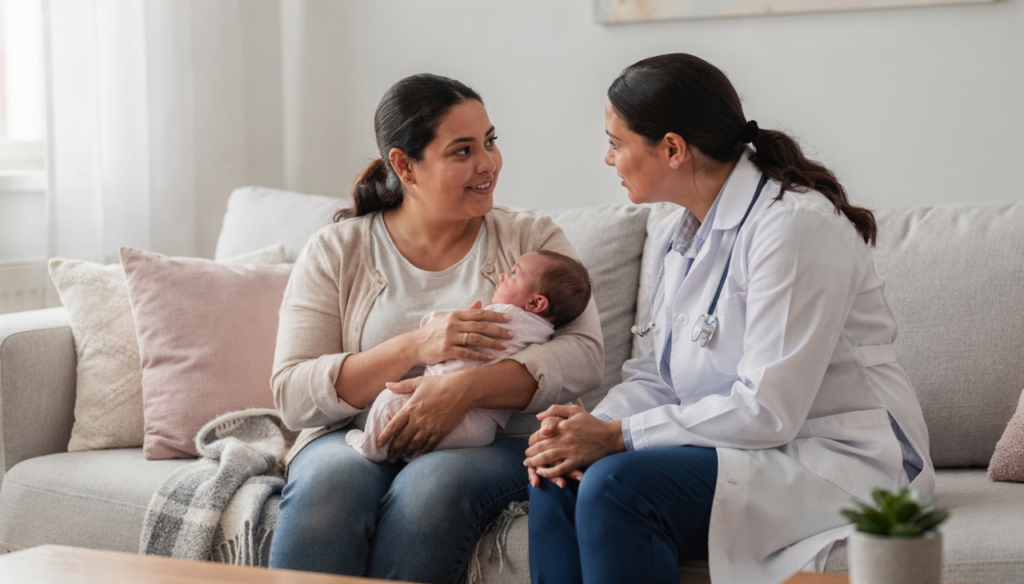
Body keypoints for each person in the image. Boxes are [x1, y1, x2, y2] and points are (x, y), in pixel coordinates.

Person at [525, 53, 935, 584]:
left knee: (615, 484)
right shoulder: (676, 236)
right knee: (558, 475)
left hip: (836, 456)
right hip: (737, 448)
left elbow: (769, 410)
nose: (608, 160)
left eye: (615, 142)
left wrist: (620, 437)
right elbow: (655, 376)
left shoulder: (792, 227)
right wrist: (588, 429)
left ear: (672, 148)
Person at [267, 73, 603, 583]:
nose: (487, 164)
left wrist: (464, 389)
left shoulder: (530, 238)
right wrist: (416, 344)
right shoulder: (337, 250)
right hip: (354, 436)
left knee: (431, 488)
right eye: (462, 151)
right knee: (329, 486)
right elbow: (292, 392)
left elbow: (584, 355)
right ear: (404, 165)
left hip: (497, 443)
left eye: (489, 142)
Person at [346, 250, 593, 462]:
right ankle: (407, 454)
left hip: (430, 402)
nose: (503, 275)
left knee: (390, 397)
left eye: (514, 274)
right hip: (482, 431)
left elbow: (443, 334)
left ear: (536, 303)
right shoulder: (544, 333)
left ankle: (371, 446)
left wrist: (432, 324)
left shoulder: (502, 314)